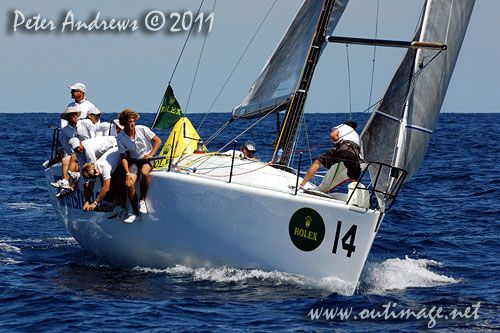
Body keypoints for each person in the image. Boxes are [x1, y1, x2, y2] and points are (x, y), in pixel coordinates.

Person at [117, 109, 162, 223]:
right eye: (129, 122)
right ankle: (135, 213)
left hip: (147, 159)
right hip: (133, 161)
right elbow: (123, 157)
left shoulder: (143, 129)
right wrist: (127, 173)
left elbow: (158, 141)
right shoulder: (121, 138)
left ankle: (142, 200)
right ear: (124, 123)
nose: (132, 124)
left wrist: (151, 154)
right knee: (129, 184)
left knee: (144, 173)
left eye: (133, 121)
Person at [300, 121, 362, 187]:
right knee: (355, 176)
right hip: (355, 153)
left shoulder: (343, 126)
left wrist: (336, 140)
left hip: (343, 148)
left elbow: (332, 135)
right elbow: (360, 157)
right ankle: (354, 193)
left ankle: (302, 184)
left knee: (318, 163)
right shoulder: (358, 137)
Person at [81, 147, 126, 218]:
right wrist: (87, 201)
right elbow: (90, 187)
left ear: (93, 167)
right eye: (94, 176)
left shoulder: (104, 167)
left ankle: (122, 207)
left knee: (118, 181)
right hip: (115, 162)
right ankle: (116, 204)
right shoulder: (94, 170)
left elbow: (106, 188)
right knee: (111, 181)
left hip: (125, 154)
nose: (97, 175)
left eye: (95, 172)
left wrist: (95, 203)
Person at [51, 107, 80, 197]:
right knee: (65, 160)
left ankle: (72, 185)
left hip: (85, 150)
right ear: (68, 118)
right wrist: (71, 153)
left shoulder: (82, 125)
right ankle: (65, 184)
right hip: (75, 152)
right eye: (72, 115)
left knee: (74, 158)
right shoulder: (66, 130)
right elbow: (65, 144)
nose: (75, 116)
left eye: (76, 114)